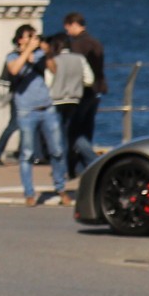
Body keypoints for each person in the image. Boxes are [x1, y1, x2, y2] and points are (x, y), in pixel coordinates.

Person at [4, 24, 68, 207]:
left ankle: (60, 187)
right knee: (27, 153)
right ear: (20, 40)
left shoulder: (40, 55)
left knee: (57, 150)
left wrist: (48, 53)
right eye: (29, 36)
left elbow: (54, 70)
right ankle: (29, 193)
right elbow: (14, 70)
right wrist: (28, 52)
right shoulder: (12, 56)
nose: (33, 40)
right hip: (26, 111)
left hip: (46, 108)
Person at [62, 11, 106, 174]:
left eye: (68, 28)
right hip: (96, 91)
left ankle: (94, 163)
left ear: (74, 25)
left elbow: (75, 70)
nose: (67, 32)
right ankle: (82, 167)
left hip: (83, 92)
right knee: (86, 130)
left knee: (73, 132)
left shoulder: (78, 45)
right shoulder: (95, 42)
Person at [47, 34, 97, 173]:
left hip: (56, 101)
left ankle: (60, 168)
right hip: (74, 101)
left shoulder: (54, 61)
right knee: (72, 133)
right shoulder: (79, 59)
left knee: (58, 136)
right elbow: (89, 79)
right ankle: (83, 163)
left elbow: (48, 82)